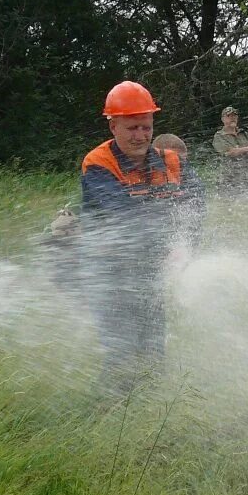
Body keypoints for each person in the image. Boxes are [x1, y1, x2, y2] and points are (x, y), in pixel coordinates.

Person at [79, 82, 204, 378]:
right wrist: (168, 243)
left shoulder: (171, 161)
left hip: (150, 269)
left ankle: (148, 409)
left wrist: (185, 245)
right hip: (110, 270)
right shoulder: (99, 164)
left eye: (146, 127)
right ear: (113, 127)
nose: (141, 136)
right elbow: (125, 214)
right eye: (132, 128)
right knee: (121, 352)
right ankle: (110, 411)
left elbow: (197, 203)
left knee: (152, 349)